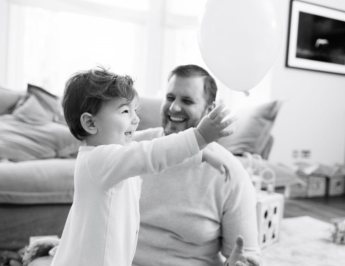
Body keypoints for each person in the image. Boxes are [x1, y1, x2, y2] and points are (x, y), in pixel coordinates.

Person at [49, 66, 236, 266]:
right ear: (90, 123)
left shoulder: (112, 160)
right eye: (125, 111)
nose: (136, 119)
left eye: (135, 111)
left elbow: (145, 154)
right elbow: (150, 154)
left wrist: (199, 155)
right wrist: (199, 137)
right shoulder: (99, 160)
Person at [132, 65, 261, 266]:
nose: (174, 107)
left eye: (187, 100)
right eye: (170, 97)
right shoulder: (132, 148)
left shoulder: (230, 172)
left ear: (210, 110)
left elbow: (246, 254)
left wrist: (242, 263)